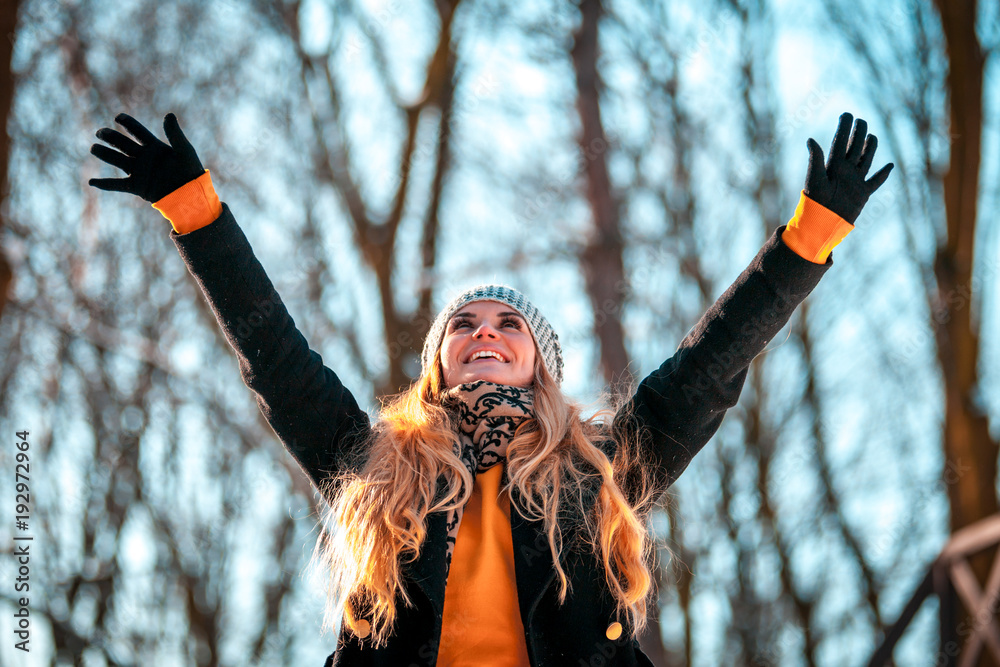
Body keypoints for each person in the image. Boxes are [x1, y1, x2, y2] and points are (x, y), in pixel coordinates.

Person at [89, 111, 892, 666]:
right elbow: (276, 356)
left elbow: (709, 366)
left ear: (538, 365)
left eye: (508, 326)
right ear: (439, 361)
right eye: (464, 324)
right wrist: (196, 214)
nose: (484, 332)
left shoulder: (600, 466)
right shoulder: (378, 460)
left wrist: (808, 238)